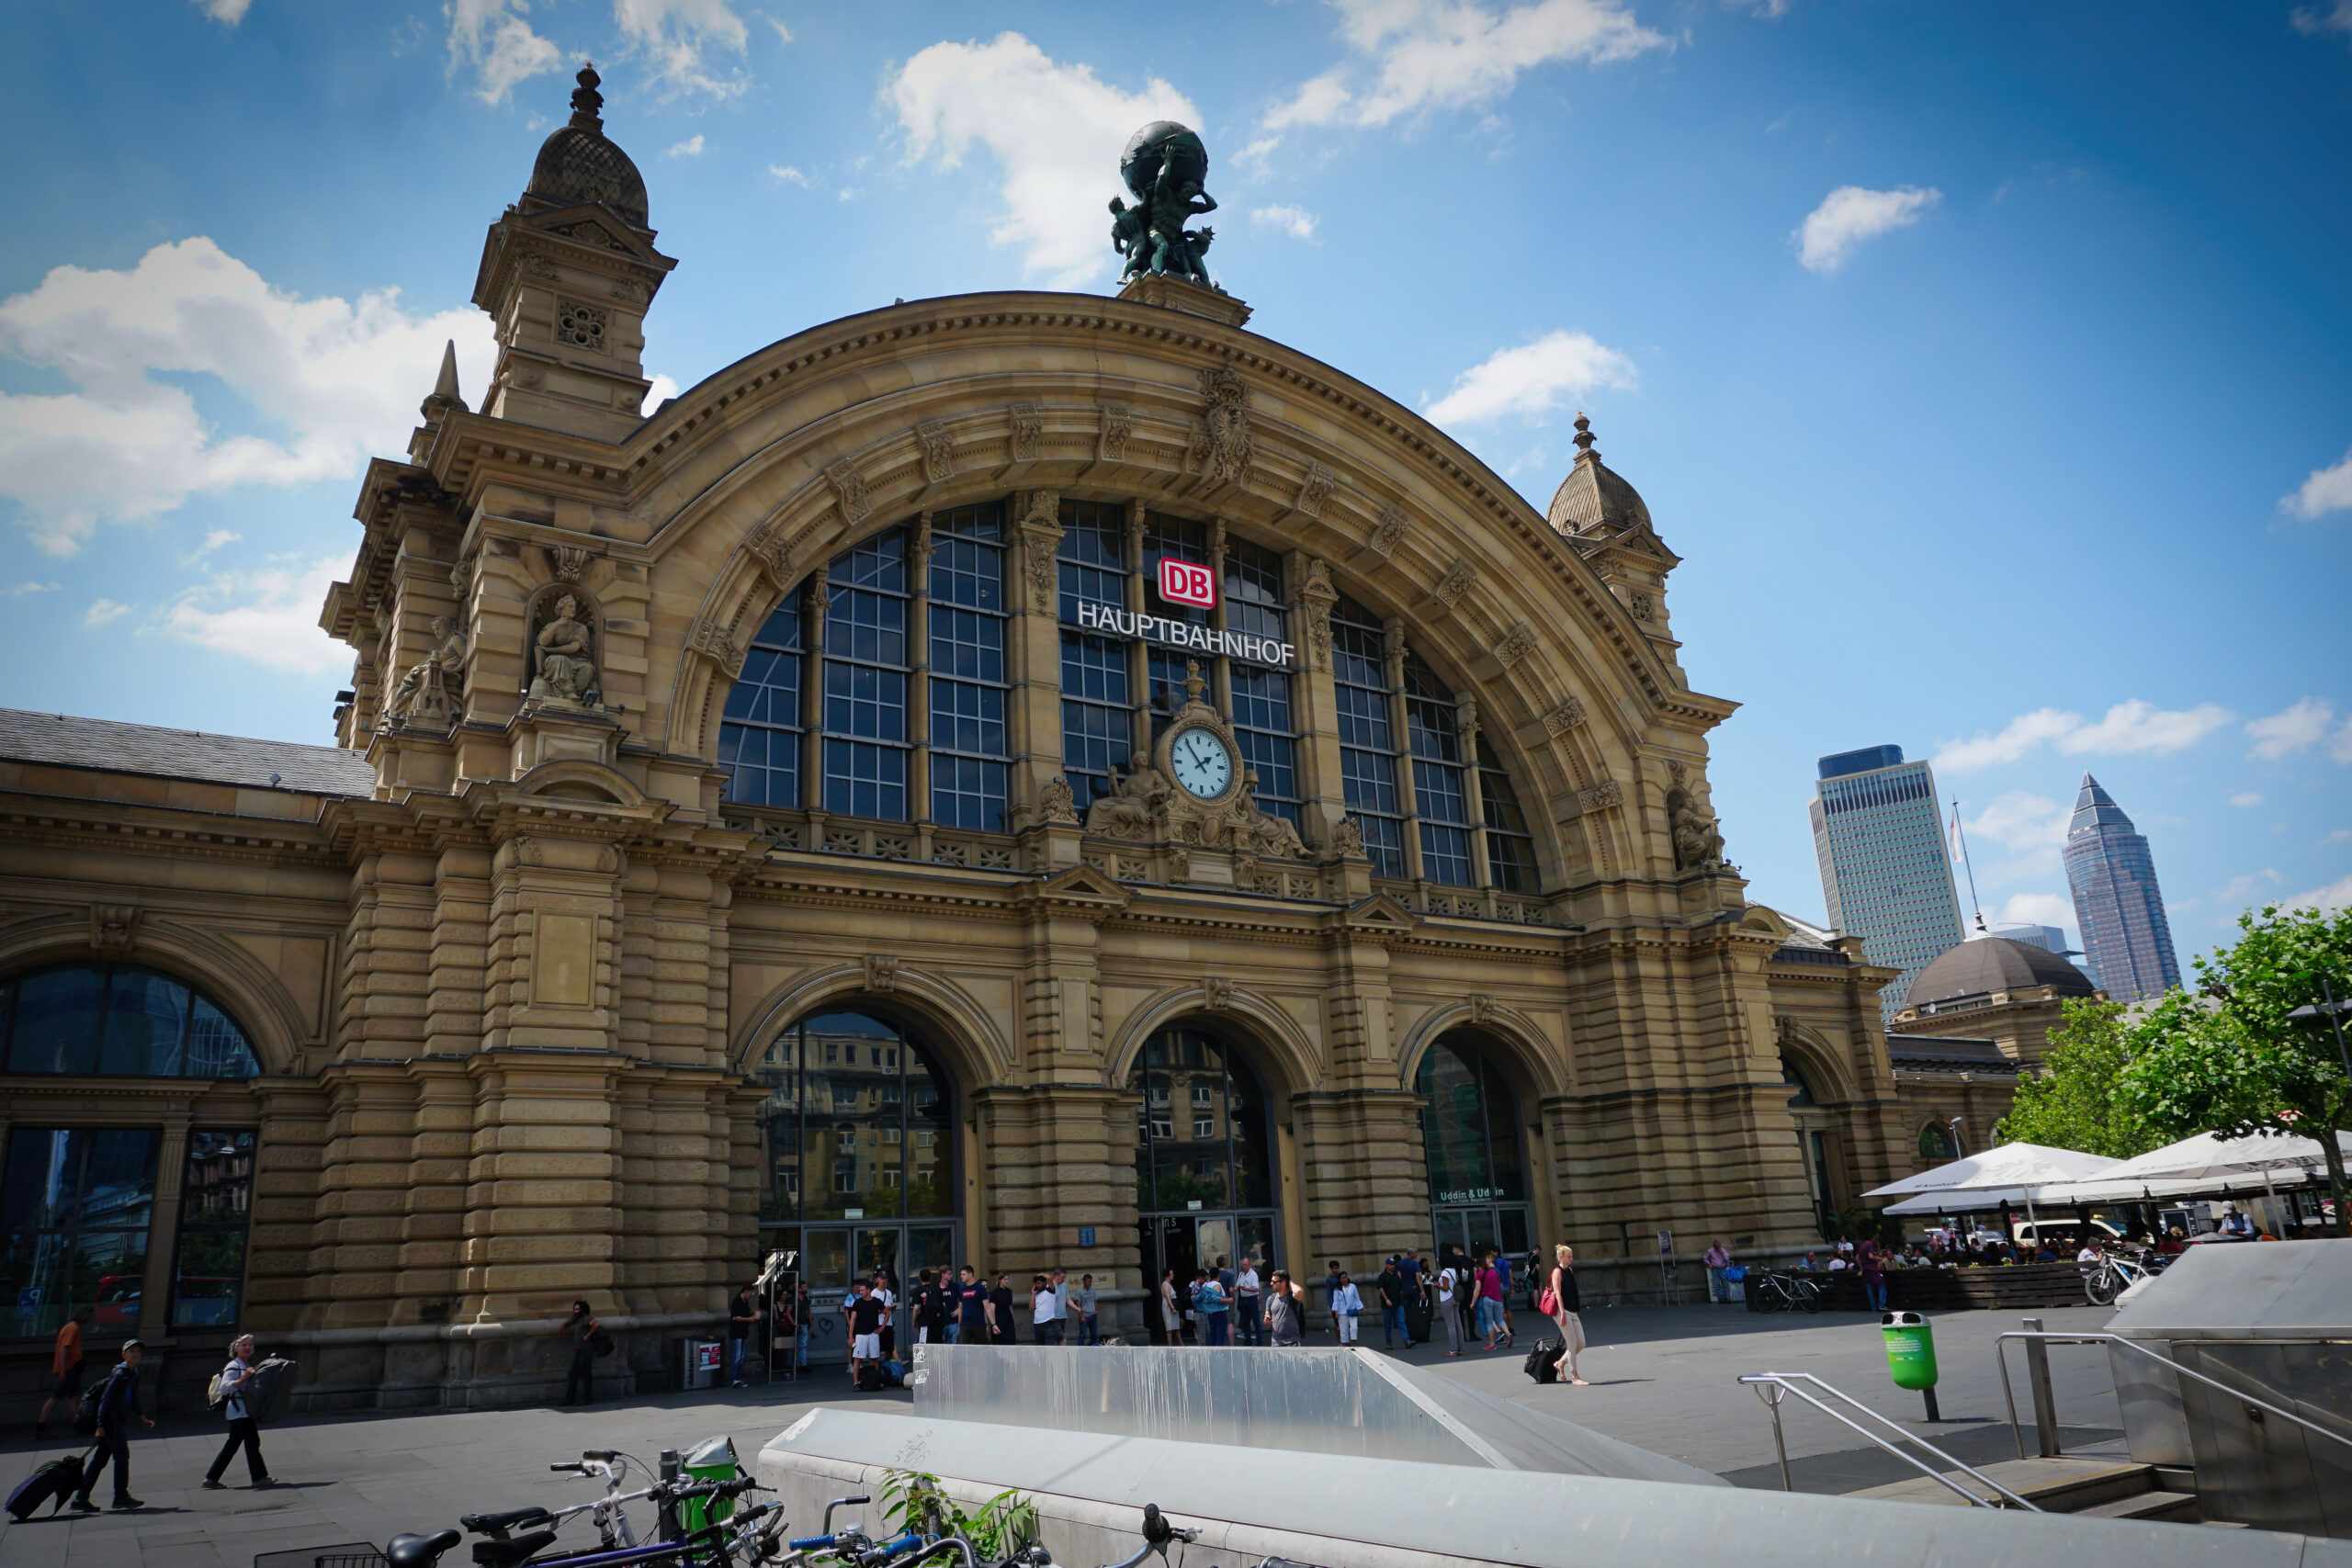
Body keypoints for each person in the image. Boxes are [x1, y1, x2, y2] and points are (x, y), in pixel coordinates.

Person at [71, 1339, 153, 1512]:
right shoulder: (120, 1374)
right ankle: (120, 1496)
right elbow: (105, 1400)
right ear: (124, 1354)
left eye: (138, 1351)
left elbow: (135, 1398)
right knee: (122, 1457)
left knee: (100, 1460)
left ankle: (81, 1497)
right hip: (111, 1422)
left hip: (116, 1421)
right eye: (131, 1351)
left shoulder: (133, 1373)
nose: (135, 1354)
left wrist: (142, 1418)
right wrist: (100, 1424)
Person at [201, 1333, 275, 1490]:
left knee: (232, 1446)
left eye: (250, 1345)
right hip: (239, 1412)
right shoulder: (234, 1366)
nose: (248, 1347)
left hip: (241, 1412)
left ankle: (211, 1478)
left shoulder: (244, 1365)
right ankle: (259, 1477)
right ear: (236, 1349)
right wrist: (244, 1378)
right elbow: (225, 1388)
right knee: (252, 1443)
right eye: (244, 1345)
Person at [35, 1304, 93, 1438]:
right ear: (83, 1314)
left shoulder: (74, 1327)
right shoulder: (72, 1328)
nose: (89, 1318)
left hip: (70, 1368)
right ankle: (40, 1427)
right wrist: (62, 1371)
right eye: (89, 1315)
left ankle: (77, 1426)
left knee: (74, 1396)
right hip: (67, 1368)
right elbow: (64, 1349)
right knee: (56, 1397)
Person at [1549, 1246, 1590, 1386]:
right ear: (1561, 1257)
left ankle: (1560, 1363)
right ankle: (1575, 1377)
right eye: (1569, 1257)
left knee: (1581, 1343)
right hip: (1563, 1311)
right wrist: (1561, 1313)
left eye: (1572, 1256)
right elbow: (1557, 1293)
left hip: (1572, 1310)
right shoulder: (1557, 1272)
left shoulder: (1569, 1270)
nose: (1572, 1259)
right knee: (1572, 1344)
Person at [560, 1301, 601, 1406]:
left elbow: (596, 1325)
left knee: (586, 1375)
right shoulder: (579, 1320)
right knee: (573, 1375)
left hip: (586, 1351)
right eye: (575, 1309)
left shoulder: (587, 1319)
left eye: (578, 1309)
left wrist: (587, 1336)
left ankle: (587, 1399)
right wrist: (564, 1324)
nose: (576, 1311)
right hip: (579, 1351)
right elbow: (571, 1319)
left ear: (583, 1310)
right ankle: (570, 1400)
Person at [846, 1281, 885, 1384]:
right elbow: (853, 1319)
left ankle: (876, 1381)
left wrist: (882, 1327)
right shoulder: (857, 1302)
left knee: (874, 1358)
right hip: (860, 1334)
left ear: (868, 1290)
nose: (861, 1292)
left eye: (862, 1290)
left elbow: (887, 1313)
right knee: (858, 1359)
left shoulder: (876, 1301)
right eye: (860, 1290)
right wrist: (851, 1336)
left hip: (873, 1333)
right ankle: (855, 1382)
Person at [727, 1282, 758, 1387]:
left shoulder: (745, 1301)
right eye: (750, 1293)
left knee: (741, 1357)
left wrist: (751, 1313)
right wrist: (748, 1319)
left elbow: (745, 1312)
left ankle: (737, 1378)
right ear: (745, 1291)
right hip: (737, 1333)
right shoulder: (737, 1302)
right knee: (737, 1357)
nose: (751, 1295)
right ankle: (734, 1379)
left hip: (743, 1332)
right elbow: (735, 1317)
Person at [1433, 1257, 1464, 1357]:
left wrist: (1438, 1286)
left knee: (1450, 1325)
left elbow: (1446, 1288)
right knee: (1458, 1324)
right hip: (1456, 1298)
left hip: (1446, 1299)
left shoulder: (1445, 1273)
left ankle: (1453, 1350)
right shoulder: (1454, 1271)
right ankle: (1461, 1349)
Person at [1265, 1271, 1303, 1346]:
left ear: (1283, 1283)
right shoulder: (1271, 1299)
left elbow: (1299, 1291)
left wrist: (1291, 1283)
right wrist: (1267, 1321)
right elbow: (1266, 1320)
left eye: (1274, 1282)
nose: (1271, 1283)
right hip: (1275, 1343)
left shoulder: (1293, 1298)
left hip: (1292, 1342)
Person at [956, 1266, 990, 1345]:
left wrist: (992, 1324)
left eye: (963, 1274)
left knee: (981, 1349)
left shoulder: (980, 1288)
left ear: (970, 1274)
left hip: (979, 1324)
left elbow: (987, 1308)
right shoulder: (961, 1289)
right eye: (961, 1274)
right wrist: (959, 1326)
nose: (961, 1276)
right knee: (962, 1347)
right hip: (965, 1325)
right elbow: (960, 1308)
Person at [1376, 1258, 1407, 1348]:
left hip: (1398, 1303)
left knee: (1401, 1322)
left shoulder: (1396, 1275)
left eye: (1393, 1264)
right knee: (1388, 1325)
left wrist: (1400, 1298)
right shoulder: (1382, 1276)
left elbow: (1401, 1288)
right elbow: (1380, 1289)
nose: (1392, 1266)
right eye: (1391, 1264)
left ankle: (1407, 1341)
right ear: (1386, 1265)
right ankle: (1388, 1343)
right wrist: (1386, 1299)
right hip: (1387, 1305)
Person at [1233, 1257, 1262, 1347]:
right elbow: (1237, 1285)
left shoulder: (1253, 1275)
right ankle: (1248, 1340)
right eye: (1243, 1265)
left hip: (1252, 1299)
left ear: (1249, 1265)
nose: (1244, 1266)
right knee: (1245, 1321)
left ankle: (1259, 1341)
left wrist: (1246, 1289)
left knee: (1256, 1321)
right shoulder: (1241, 1274)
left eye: (1245, 1265)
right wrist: (1234, 1288)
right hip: (1243, 1299)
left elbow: (1255, 1288)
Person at [1196, 1269, 1229, 1345]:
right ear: (1218, 1275)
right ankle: (1218, 1354)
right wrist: (1228, 1300)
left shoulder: (1207, 1285)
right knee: (1220, 1337)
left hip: (1210, 1313)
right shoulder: (1217, 1285)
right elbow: (1216, 1299)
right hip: (1219, 1313)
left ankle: (1210, 1353)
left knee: (1212, 1336)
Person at [1857, 1235, 1887, 1314]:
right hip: (1871, 1268)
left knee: (1869, 1288)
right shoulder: (1870, 1244)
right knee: (1881, 1284)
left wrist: (1861, 1268)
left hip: (1865, 1269)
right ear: (1872, 1238)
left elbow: (1857, 1258)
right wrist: (1879, 1258)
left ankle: (1873, 1306)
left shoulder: (1861, 1245)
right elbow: (1871, 1256)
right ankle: (1881, 1304)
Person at [1330, 1271, 1363, 1344]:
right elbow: (1335, 1301)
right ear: (1340, 1280)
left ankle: (1353, 1344)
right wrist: (1336, 1312)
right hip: (1342, 1312)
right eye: (1343, 1278)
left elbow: (1357, 1298)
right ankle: (1345, 1345)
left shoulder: (1353, 1286)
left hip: (1352, 1310)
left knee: (1354, 1328)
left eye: (1346, 1277)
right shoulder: (1337, 1289)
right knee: (1343, 1329)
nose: (1345, 1279)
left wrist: (1361, 1308)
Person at [1031, 1274, 1061, 1345]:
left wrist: (1040, 1274)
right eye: (1036, 1284)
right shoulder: (1037, 1294)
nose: (1037, 1285)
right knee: (1040, 1348)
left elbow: (1050, 1277)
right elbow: (1031, 1307)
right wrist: (1033, 1294)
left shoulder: (1050, 1290)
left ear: (1044, 1282)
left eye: (1038, 1283)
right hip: (1037, 1326)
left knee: (1049, 1348)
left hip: (1048, 1326)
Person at [1072, 1274, 1100, 1346]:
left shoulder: (1092, 1290)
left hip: (1093, 1315)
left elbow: (1095, 1300)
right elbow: (1078, 1304)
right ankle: (1080, 1348)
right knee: (1083, 1334)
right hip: (1085, 1315)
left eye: (1091, 1282)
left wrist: (1096, 1310)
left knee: (1094, 1333)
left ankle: (1094, 1347)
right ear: (1084, 1282)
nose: (1090, 1283)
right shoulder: (1079, 1291)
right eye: (1088, 1282)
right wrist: (1081, 1316)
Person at [1159, 1268, 1183, 1346]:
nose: (1173, 1275)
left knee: (1176, 1326)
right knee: (1169, 1327)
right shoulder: (1165, 1284)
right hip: (1169, 1307)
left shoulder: (1169, 1284)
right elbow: (1168, 1297)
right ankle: (1170, 1345)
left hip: (1172, 1306)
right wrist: (1172, 1308)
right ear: (1167, 1276)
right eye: (1171, 1274)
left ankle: (1181, 1343)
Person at [1702, 1239, 1732, 1304]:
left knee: (1725, 1283)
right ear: (1714, 1246)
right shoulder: (1710, 1251)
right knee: (1716, 1284)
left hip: (1723, 1268)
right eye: (1716, 1247)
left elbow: (1727, 1259)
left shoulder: (1723, 1251)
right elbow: (1705, 1257)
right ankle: (1721, 1298)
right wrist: (1709, 1263)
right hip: (1715, 1269)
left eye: (1718, 1247)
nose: (1718, 1248)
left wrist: (1722, 1254)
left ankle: (1727, 1297)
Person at [989, 1273, 1016, 1344]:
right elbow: (992, 1309)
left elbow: (1010, 1308)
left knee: (1011, 1341)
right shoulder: (994, 1293)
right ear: (1000, 1280)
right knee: (1000, 1342)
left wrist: (1013, 1322)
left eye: (1007, 1279)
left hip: (1009, 1321)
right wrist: (994, 1324)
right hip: (999, 1321)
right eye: (1005, 1279)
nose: (1007, 1281)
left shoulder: (1009, 1291)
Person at [1323, 1260, 1345, 1344]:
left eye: (1337, 1268)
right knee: (1337, 1323)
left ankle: (1345, 1339)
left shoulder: (1340, 1277)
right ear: (1331, 1269)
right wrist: (1332, 1305)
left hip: (1343, 1302)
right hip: (1335, 1304)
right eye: (1335, 1268)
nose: (1336, 1270)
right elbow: (1329, 1293)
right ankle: (1339, 1341)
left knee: (1345, 1322)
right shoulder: (1329, 1279)